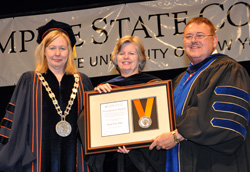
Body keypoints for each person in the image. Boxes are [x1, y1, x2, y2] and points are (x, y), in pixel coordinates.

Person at [149, 17, 250, 172]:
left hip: (213, 163)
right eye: (189, 36)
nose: (193, 40)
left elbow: (222, 119)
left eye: (200, 35)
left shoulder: (228, 70)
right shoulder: (178, 81)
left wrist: (177, 135)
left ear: (214, 40)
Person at [0, 19, 93, 172]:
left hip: (76, 162)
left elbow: (93, 125)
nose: (57, 53)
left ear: (69, 51)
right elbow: (14, 121)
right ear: (43, 51)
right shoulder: (29, 81)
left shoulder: (82, 81)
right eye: (52, 48)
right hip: (37, 162)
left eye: (62, 48)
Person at [78, 35, 166, 172]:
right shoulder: (106, 89)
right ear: (115, 58)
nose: (126, 57)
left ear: (140, 58)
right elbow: (86, 126)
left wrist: (135, 145)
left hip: (145, 159)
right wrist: (95, 101)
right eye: (121, 53)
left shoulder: (154, 87)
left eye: (131, 53)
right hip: (113, 159)